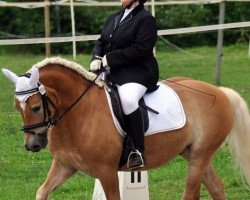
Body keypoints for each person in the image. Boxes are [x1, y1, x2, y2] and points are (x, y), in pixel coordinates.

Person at [90, 0, 159, 170]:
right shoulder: (114, 17)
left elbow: (142, 49)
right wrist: (97, 58)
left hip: (138, 72)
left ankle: (137, 150)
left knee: (127, 100)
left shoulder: (146, 20)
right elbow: (101, 42)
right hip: (112, 71)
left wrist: (110, 58)